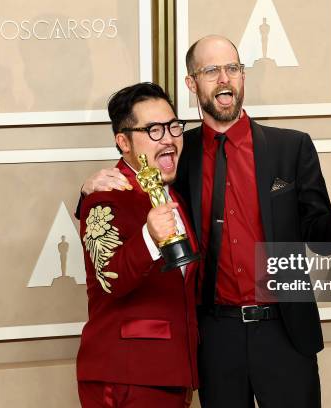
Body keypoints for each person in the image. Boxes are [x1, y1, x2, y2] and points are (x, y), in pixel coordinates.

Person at [79, 35, 331, 408]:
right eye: (212, 70)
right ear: (192, 83)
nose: (224, 78)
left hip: (284, 329)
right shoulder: (174, 153)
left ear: (242, 77)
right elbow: (135, 189)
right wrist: (87, 189)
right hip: (214, 337)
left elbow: (319, 237)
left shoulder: (291, 147)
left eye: (232, 68)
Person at [76, 82, 198, 408]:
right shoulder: (105, 195)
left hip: (172, 373)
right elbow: (108, 279)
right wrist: (149, 237)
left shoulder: (173, 193)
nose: (169, 138)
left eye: (173, 126)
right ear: (123, 141)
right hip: (126, 375)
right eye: (153, 130)